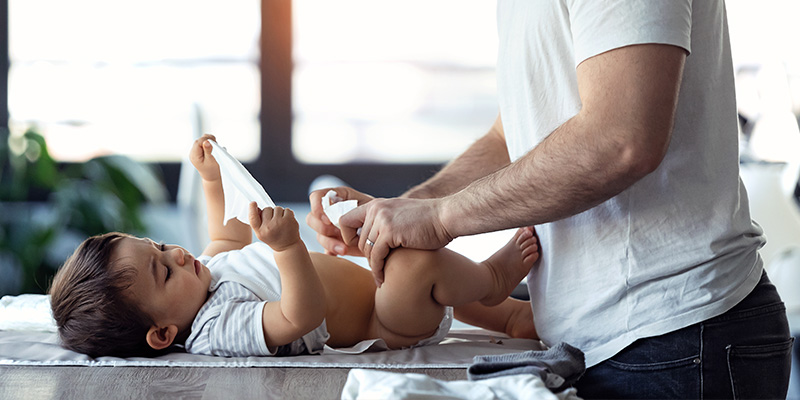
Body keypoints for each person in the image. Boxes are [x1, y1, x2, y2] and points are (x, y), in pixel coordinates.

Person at [306, 1, 794, 398]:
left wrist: (440, 218)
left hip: (678, 338)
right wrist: (400, 213)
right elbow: (514, 135)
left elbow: (622, 137)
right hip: (602, 345)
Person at [48, 135, 539, 358]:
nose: (177, 254)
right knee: (411, 264)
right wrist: (287, 249)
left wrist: (213, 180)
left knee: (391, 249)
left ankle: (511, 318)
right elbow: (297, 317)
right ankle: (494, 280)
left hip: (374, 286)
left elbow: (227, 235)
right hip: (387, 321)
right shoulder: (215, 328)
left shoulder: (205, 275)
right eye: (163, 271)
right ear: (161, 333)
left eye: (158, 246)